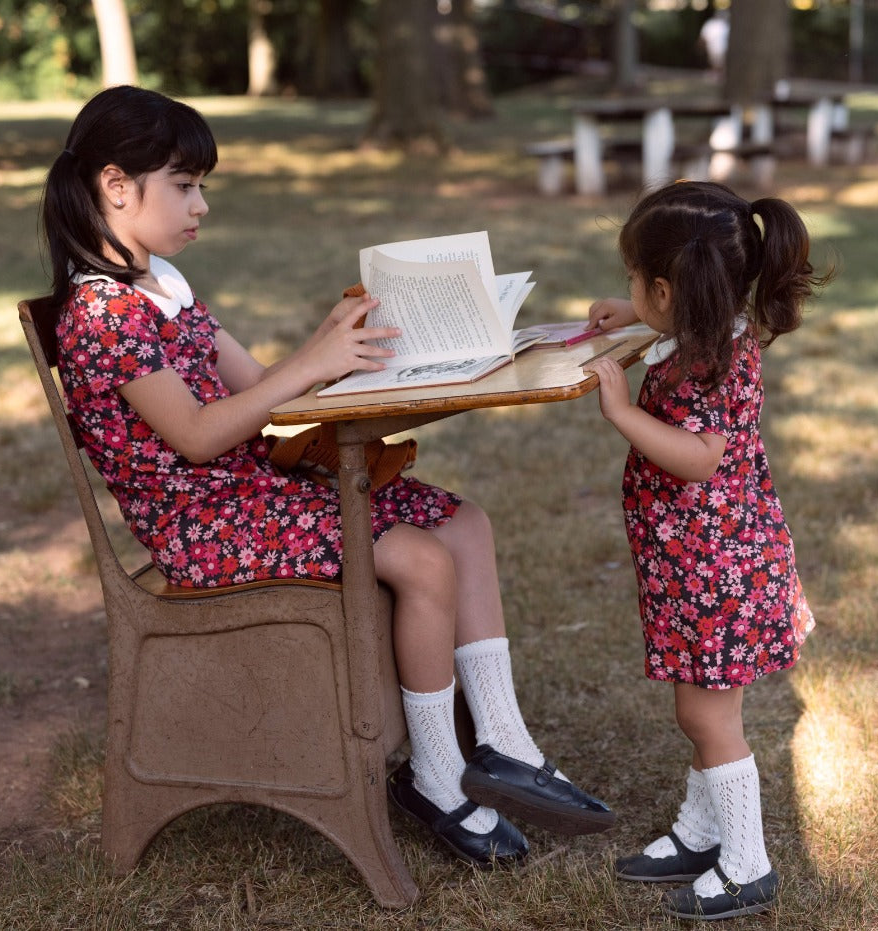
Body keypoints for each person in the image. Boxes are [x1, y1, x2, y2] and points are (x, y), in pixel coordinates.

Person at [38, 85, 613, 869]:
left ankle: (506, 743)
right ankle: (437, 776)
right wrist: (308, 366)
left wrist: (345, 352)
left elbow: (267, 391)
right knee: (420, 556)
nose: (201, 204)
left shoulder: (161, 287)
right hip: (203, 530)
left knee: (464, 522)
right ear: (115, 185)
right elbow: (201, 436)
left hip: (251, 499)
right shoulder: (102, 315)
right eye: (184, 184)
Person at [582, 181, 828, 920]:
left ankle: (747, 862)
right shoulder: (713, 333)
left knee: (705, 713)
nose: (627, 290)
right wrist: (634, 313)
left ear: (671, 288)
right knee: (704, 703)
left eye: (635, 281)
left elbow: (700, 458)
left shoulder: (710, 367)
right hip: (702, 564)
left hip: (716, 570)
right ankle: (700, 829)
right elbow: (675, 319)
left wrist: (622, 411)